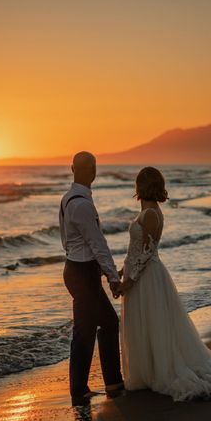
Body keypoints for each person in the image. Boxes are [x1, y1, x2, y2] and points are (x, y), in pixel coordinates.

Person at [116, 167, 211, 401]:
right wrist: (124, 271)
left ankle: (159, 372)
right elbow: (136, 251)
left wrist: (129, 281)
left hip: (147, 278)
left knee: (154, 323)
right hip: (139, 274)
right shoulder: (148, 212)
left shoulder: (152, 214)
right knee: (147, 324)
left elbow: (146, 253)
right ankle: (148, 372)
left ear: (141, 186)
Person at [59, 151, 125, 405]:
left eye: (92, 167)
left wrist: (103, 272)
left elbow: (69, 240)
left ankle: (112, 382)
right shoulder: (81, 204)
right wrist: (111, 277)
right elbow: (98, 244)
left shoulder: (68, 199)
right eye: (89, 168)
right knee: (85, 332)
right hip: (83, 273)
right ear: (76, 169)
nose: (92, 172)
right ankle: (80, 390)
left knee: (107, 323)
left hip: (77, 268)